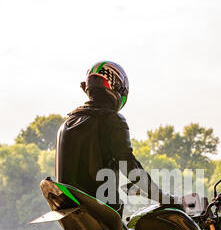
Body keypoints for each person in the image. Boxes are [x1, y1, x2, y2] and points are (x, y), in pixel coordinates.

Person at [55, 61, 175, 216]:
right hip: (104, 220)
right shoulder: (110, 119)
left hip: (74, 221)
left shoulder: (65, 125)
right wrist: (166, 199)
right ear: (117, 86)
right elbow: (130, 167)